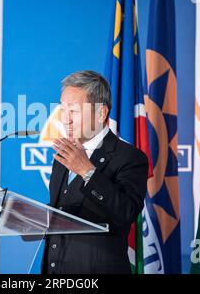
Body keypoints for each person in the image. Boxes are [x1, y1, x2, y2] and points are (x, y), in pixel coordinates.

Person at [43, 70, 148, 274]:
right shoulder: (62, 158)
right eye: (62, 110)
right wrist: (25, 216)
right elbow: (61, 215)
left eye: (73, 111)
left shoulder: (129, 158)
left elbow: (126, 213)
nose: (65, 119)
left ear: (101, 113)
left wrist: (87, 171)